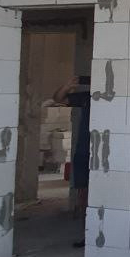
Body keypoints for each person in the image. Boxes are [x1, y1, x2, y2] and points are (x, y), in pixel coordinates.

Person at [53, 76, 92, 227]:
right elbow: (59, 99)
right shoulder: (87, 97)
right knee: (83, 191)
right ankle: (85, 228)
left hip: (102, 153)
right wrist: (66, 86)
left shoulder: (113, 98)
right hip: (84, 149)